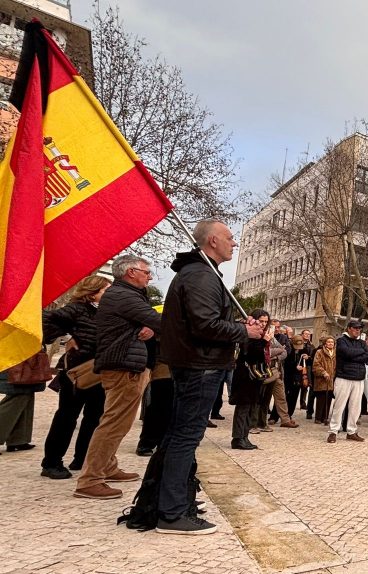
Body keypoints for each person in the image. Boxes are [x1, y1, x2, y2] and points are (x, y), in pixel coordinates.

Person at [157, 219, 263, 534]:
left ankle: (174, 499)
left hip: (200, 364)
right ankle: (172, 513)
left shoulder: (203, 273)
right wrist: (243, 332)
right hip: (199, 365)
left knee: (182, 434)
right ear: (213, 241)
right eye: (230, 238)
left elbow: (207, 321)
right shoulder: (201, 275)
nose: (235, 243)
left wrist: (239, 328)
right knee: (185, 436)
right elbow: (204, 325)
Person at [74, 255, 161, 501]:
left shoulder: (124, 295)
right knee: (114, 424)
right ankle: (90, 480)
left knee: (116, 422)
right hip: (124, 367)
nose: (149, 276)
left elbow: (143, 324)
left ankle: (107, 466)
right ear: (131, 272)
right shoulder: (124, 295)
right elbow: (158, 320)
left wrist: (146, 328)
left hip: (125, 364)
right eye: (146, 272)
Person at [39, 275, 110, 479]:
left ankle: (83, 458)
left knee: (94, 417)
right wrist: (68, 337)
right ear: (92, 293)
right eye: (106, 290)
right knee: (67, 416)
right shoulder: (77, 309)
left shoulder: (106, 311)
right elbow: (45, 318)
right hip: (76, 370)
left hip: (98, 370)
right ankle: (52, 462)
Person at [229, 310, 272, 450]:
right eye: (261, 321)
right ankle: (238, 438)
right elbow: (251, 355)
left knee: (250, 406)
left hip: (255, 376)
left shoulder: (262, 335)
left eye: (266, 321)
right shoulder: (249, 333)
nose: (263, 324)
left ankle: (244, 436)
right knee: (243, 406)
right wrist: (264, 342)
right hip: (245, 375)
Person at [327, 320, 368, 443]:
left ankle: (351, 431)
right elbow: (346, 353)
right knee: (339, 406)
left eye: (359, 329)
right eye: (355, 328)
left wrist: (354, 355)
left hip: (358, 378)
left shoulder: (362, 343)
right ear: (349, 328)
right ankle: (333, 431)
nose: (357, 330)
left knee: (355, 407)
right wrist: (360, 353)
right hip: (343, 377)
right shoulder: (341, 341)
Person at [311, 336, 336, 425]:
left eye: (332, 342)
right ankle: (318, 418)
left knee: (329, 398)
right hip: (321, 380)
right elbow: (316, 365)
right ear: (325, 343)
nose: (330, 343)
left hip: (331, 380)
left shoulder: (335, 353)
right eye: (328, 342)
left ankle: (325, 417)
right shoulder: (319, 352)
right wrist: (323, 372)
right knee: (321, 399)